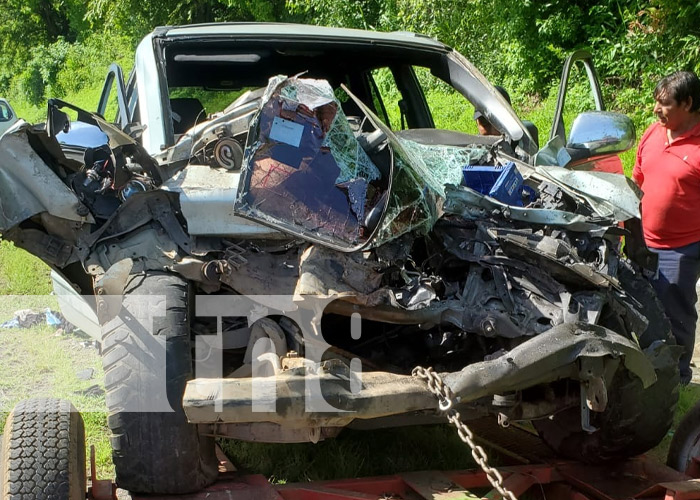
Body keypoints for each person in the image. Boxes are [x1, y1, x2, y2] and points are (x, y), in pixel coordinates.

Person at [632, 70, 700, 384]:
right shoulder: (653, 133)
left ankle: (677, 378)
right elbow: (637, 179)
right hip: (641, 241)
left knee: (676, 315)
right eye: (655, 102)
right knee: (638, 308)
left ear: (687, 104)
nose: (656, 110)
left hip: (682, 248)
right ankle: (643, 372)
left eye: (665, 104)